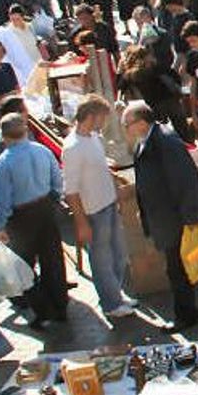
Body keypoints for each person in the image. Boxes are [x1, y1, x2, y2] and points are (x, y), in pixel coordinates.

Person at [122, 101, 198, 332]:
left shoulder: (164, 142)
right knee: (191, 256)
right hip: (167, 215)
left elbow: (186, 181)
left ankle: (186, 316)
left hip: (176, 218)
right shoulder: (147, 142)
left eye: (127, 124)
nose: (125, 129)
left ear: (141, 123)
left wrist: (190, 216)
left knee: (177, 269)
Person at [0, 113, 66, 329]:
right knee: (53, 260)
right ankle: (60, 307)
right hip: (45, 207)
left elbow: (2, 200)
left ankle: (43, 310)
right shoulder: (42, 151)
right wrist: (54, 197)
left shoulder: (3, 164)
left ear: (4, 136)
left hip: (21, 216)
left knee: (23, 266)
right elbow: (57, 178)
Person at [63, 95, 133, 319]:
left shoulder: (93, 137)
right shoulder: (73, 147)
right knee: (102, 258)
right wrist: (81, 221)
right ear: (91, 117)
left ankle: (117, 294)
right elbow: (71, 190)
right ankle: (111, 304)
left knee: (118, 253)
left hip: (108, 202)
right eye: (103, 117)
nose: (105, 122)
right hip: (94, 210)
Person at [117, 44, 194, 143]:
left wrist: (119, 72)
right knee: (182, 130)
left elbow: (120, 86)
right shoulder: (157, 67)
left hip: (151, 106)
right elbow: (175, 77)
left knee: (160, 135)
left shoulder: (130, 74)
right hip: (170, 101)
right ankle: (188, 147)